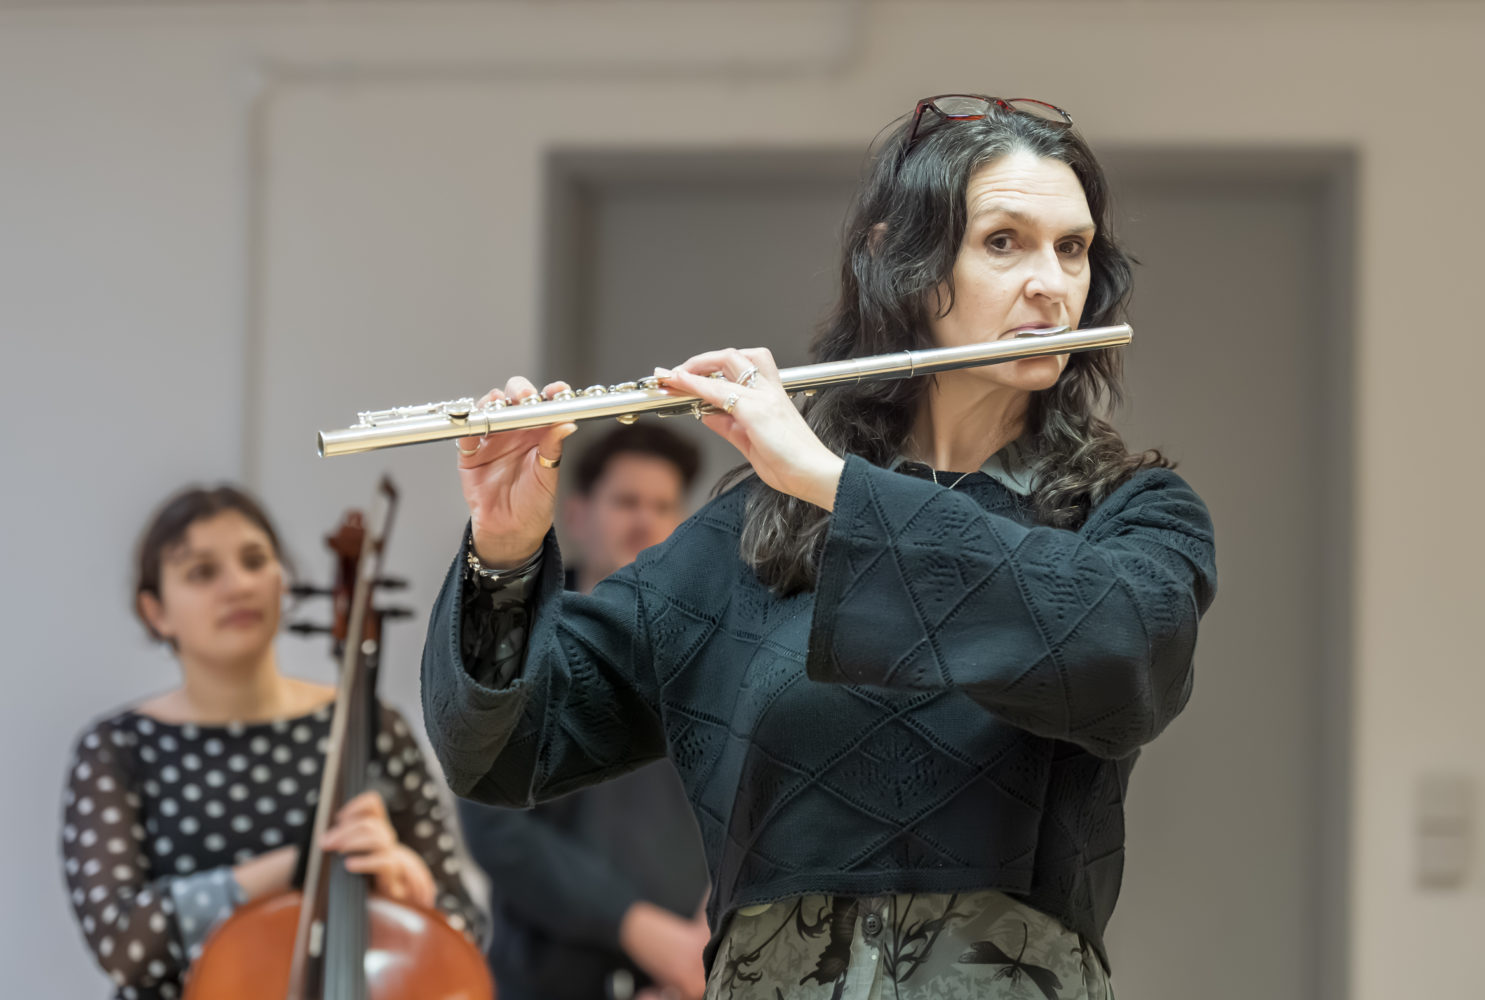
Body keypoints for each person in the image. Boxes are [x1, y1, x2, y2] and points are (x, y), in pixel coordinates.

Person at [423, 94, 1217, 999]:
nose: (1051, 283)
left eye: (1072, 248)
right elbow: (504, 750)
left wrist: (838, 486)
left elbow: (1121, 652)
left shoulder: (1132, 514)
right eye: (1004, 242)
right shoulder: (751, 535)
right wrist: (505, 547)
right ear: (900, 261)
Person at [61, 485, 485, 1000]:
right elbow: (123, 943)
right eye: (202, 572)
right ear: (156, 612)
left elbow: (465, 929)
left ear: (283, 580)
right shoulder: (117, 749)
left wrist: (412, 889)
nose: (239, 585)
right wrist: (305, 864)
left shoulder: (371, 725)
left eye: (255, 561)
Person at [457, 424, 712, 1000]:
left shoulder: (712, 650)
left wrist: (704, 942)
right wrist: (641, 931)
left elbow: (747, 800)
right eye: (626, 502)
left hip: (687, 980)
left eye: (663, 506)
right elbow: (494, 825)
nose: (645, 521)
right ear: (576, 514)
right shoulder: (516, 643)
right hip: (547, 983)